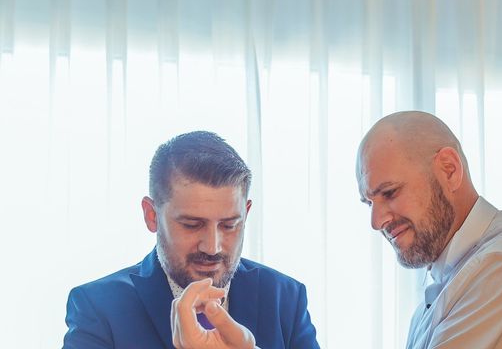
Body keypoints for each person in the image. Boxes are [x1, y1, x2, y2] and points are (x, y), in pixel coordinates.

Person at [63, 131, 320, 349]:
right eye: (192, 224)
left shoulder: (285, 298)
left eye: (229, 225)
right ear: (152, 216)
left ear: (246, 214)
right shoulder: (97, 307)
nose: (212, 246)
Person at [356, 111, 502, 348]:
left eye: (390, 192)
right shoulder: (426, 311)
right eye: (369, 203)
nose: (376, 222)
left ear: (449, 169)